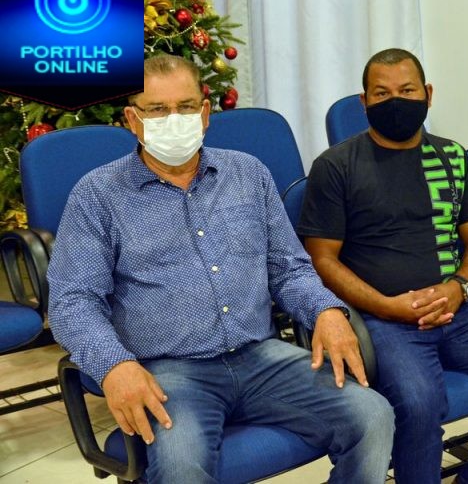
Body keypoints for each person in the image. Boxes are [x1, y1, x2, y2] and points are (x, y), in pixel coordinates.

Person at [47, 54, 394, 484]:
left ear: (206, 112)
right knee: (182, 465)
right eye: (157, 110)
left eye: (186, 106)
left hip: (261, 356)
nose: (174, 119)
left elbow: (288, 269)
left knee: (372, 416)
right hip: (170, 371)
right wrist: (114, 366)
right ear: (132, 120)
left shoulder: (248, 174)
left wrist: (326, 310)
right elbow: (73, 302)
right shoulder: (98, 195)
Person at [299, 48, 468, 484]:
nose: (396, 101)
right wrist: (386, 306)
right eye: (381, 93)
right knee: (419, 404)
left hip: (460, 309)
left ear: (428, 93)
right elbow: (321, 259)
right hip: (383, 320)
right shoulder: (335, 166)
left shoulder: (451, 156)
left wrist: (459, 288)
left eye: (407, 90)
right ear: (364, 102)